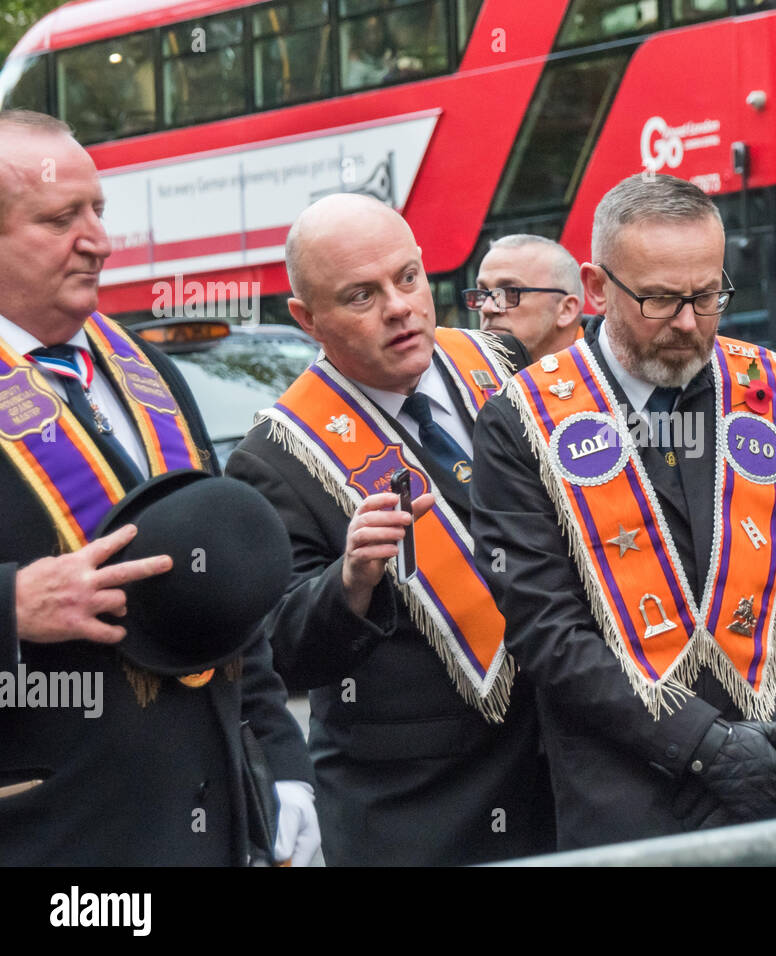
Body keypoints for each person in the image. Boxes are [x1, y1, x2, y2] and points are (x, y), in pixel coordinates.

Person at [470, 174, 776, 854]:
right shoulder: (520, 421)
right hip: (633, 801)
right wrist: (702, 748)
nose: (690, 323)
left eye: (708, 294)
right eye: (660, 299)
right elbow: (546, 628)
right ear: (596, 289)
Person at [0, 109, 317, 865]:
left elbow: (225, 588)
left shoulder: (147, 371)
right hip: (52, 837)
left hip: (211, 816)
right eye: (60, 218)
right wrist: (11, 606)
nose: (99, 241)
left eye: (99, 211)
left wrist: (285, 764)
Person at [225, 193, 554, 865]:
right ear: (306, 319)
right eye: (360, 296)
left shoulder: (502, 364)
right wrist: (348, 584)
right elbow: (278, 649)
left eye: (407, 278)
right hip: (419, 813)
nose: (400, 307)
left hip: (562, 777)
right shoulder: (271, 457)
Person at [465, 234, 584, 358]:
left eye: (510, 293)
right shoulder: (463, 371)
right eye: (482, 293)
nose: (487, 308)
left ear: (566, 310)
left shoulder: (602, 373)